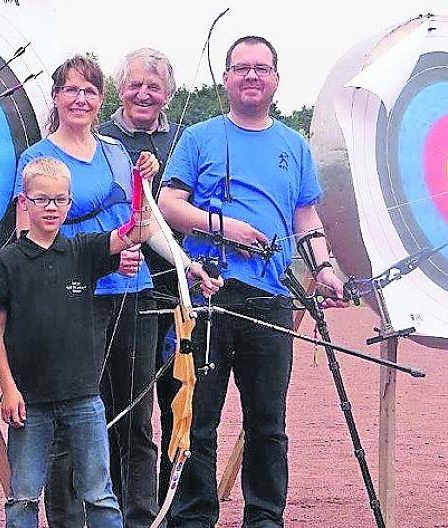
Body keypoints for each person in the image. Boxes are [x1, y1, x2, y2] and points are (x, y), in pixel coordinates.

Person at [18, 55, 219, 528]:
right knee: (71, 414)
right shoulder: (38, 160)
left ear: (99, 99)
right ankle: (70, 518)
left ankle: (136, 518)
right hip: (73, 297)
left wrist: (186, 266)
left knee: (135, 417)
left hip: (133, 291)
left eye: (89, 91)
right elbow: (33, 238)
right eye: (71, 90)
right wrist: (103, 256)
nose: (80, 99)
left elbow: (145, 223)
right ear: (56, 97)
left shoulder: (116, 153)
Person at [158, 35, 347, 528]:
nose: (251, 76)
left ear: (276, 80)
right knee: (199, 417)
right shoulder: (199, 137)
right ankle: (194, 516)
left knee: (268, 422)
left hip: (272, 299)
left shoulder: (293, 144)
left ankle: (264, 517)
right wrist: (225, 228)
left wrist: (324, 267)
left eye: (261, 68)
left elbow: (306, 217)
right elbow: (168, 206)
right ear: (225, 78)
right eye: (241, 68)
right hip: (207, 294)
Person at [0, 156, 155, 528]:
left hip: (83, 397)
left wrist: (144, 183)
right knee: (24, 496)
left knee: (99, 494)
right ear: (24, 202)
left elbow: (137, 230)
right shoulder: (7, 263)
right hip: (30, 400)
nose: (51, 208)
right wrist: (8, 388)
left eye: (60, 200)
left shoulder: (82, 251)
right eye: (41, 199)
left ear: (70, 204)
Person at [97, 47, 186, 512]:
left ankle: (171, 505)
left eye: (154, 86)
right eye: (134, 84)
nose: (144, 94)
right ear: (120, 89)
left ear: (168, 93)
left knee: (182, 402)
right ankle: (121, 508)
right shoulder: (102, 138)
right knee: (126, 407)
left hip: (181, 290)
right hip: (121, 289)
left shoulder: (184, 140)